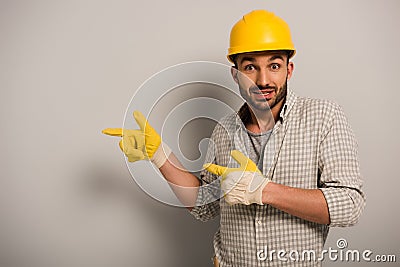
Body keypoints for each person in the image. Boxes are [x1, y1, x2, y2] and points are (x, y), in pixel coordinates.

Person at [103, 10, 365, 266]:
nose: (263, 80)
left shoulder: (324, 117)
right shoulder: (223, 130)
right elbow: (204, 206)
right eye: (250, 66)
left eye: (274, 65)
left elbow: (350, 205)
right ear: (235, 74)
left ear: (289, 69)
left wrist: (265, 191)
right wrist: (158, 153)